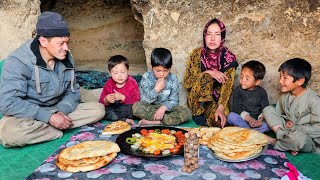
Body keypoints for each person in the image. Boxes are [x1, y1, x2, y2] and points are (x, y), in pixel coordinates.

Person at [0, 12, 105, 147]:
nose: (66, 48)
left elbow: (73, 92)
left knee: (99, 110)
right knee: (9, 134)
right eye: (61, 43)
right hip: (30, 114)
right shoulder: (18, 62)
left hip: (58, 106)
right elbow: (8, 103)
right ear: (43, 41)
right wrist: (48, 117)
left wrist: (62, 111)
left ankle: (55, 126)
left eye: (67, 42)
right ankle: (57, 128)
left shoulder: (66, 56)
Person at [183, 18, 238, 128]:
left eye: (217, 34)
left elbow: (227, 88)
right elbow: (187, 83)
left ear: (222, 37)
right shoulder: (196, 54)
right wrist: (208, 73)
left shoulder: (229, 59)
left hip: (216, 102)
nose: (212, 39)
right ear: (204, 36)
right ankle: (198, 115)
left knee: (219, 123)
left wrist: (221, 109)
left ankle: (208, 118)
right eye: (209, 34)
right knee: (206, 77)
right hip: (196, 103)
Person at [263, 58, 320, 156]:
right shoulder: (285, 95)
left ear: (300, 81)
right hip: (286, 130)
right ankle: (286, 142)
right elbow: (278, 114)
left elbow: (318, 129)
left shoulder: (314, 100)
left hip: (306, 137)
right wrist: (285, 123)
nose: (280, 81)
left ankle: (275, 141)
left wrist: (295, 128)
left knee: (299, 139)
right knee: (267, 109)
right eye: (280, 77)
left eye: (285, 78)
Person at [132, 48, 192, 126]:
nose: (162, 74)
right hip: (150, 108)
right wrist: (156, 90)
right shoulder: (146, 77)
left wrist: (163, 108)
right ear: (152, 66)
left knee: (187, 112)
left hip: (167, 110)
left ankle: (156, 122)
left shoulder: (173, 78)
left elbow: (174, 101)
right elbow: (143, 100)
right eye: (158, 70)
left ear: (170, 68)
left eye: (165, 70)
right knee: (136, 107)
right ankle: (165, 121)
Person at [227, 60, 270, 133]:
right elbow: (236, 108)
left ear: (257, 82)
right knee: (231, 116)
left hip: (256, 122)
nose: (242, 80)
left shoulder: (262, 92)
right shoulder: (238, 90)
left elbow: (265, 108)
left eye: (247, 78)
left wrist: (260, 120)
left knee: (268, 124)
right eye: (241, 77)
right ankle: (252, 132)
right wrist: (249, 119)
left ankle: (247, 132)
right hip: (242, 120)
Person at [99, 55, 140, 123]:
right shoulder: (109, 83)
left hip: (127, 108)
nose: (120, 76)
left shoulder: (132, 82)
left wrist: (123, 97)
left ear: (128, 71)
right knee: (103, 111)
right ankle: (123, 119)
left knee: (134, 109)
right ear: (110, 73)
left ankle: (120, 118)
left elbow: (137, 101)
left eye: (123, 72)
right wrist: (106, 99)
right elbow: (101, 101)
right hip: (113, 108)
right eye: (115, 73)